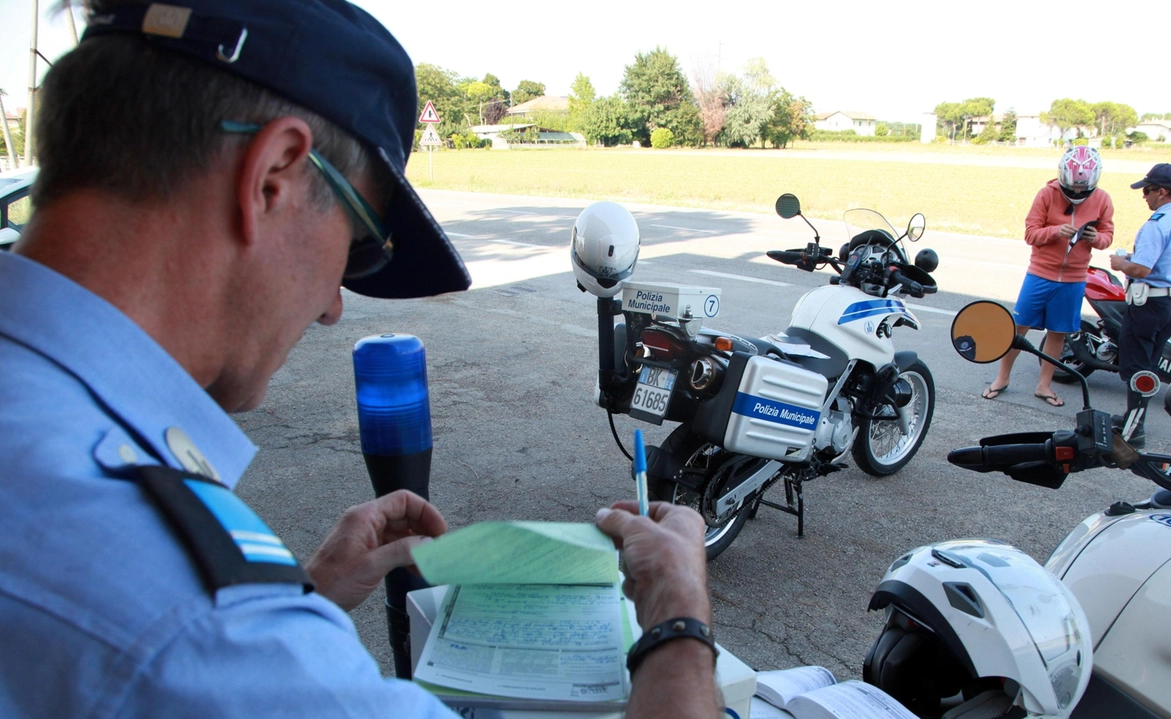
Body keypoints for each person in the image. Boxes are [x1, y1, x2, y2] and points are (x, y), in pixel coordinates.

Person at [0, 2, 717, 718]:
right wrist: (678, 613)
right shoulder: (192, 614)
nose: (332, 306)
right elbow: (180, 643)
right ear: (273, 175)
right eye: (360, 243)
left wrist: (301, 597)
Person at [983, 146, 1114, 407]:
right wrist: (1054, 232)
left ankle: (1044, 385)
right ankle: (1001, 378)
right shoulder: (1046, 194)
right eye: (1072, 189)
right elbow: (1030, 234)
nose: (1077, 194)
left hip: (1074, 279)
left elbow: (1108, 236)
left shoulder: (1102, 199)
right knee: (1019, 328)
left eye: (1083, 190)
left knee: (1058, 333)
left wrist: (1095, 238)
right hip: (1040, 274)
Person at [1108, 163, 1171, 448]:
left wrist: (1122, 263)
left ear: (1162, 192)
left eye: (1147, 190)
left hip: (1150, 303)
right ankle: (1131, 418)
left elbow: (1142, 270)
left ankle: (1134, 432)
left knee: (1138, 369)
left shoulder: (1157, 225)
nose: (1143, 196)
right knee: (1147, 363)